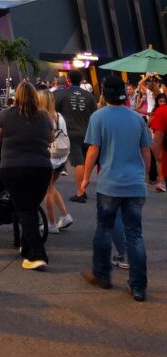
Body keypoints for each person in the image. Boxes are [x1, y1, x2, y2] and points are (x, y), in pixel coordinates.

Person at [80, 75, 152, 301]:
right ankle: (138, 287)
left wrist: (85, 179)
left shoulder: (98, 117)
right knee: (135, 236)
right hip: (134, 185)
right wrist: (146, 176)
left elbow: (93, 150)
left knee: (103, 229)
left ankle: (102, 275)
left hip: (109, 184)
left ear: (103, 92)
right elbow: (146, 151)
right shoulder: (137, 119)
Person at [0, 80, 53, 270]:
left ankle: (36, 255)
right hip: (41, 167)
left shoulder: (5, 115)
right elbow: (50, 138)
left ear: (16, 96)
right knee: (31, 208)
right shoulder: (43, 117)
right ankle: (26, 248)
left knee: (25, 209)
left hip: (13, 167)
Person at [54, 68, 97, 203]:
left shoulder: (62, 94)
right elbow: (94, 114)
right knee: (84, 162)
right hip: (87, 132)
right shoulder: (89, 95)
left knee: (78, 162)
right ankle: (83, 189)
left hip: (71, 133)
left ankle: (80, 192)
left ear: (68, 80)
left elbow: (55, 110)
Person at [35, 87, 73, 232]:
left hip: (48, 158)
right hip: (61, 157)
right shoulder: (59, 117)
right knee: (51, 186)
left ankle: (51, 224)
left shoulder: (40, 118)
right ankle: (64, 215)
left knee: (47, 190)